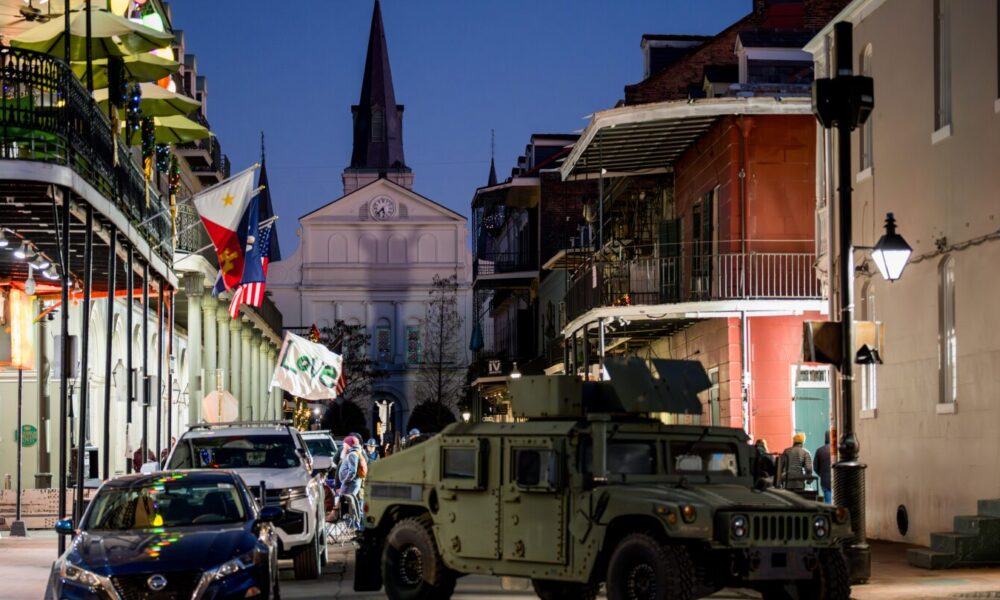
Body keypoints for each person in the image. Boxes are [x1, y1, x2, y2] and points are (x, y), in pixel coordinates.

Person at [814, 431, 833, 503]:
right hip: (837, 480)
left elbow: (815, 467)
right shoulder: (837, 450)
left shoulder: (819, 450)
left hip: (825, 481)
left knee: (828, 502)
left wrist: (822, 474)